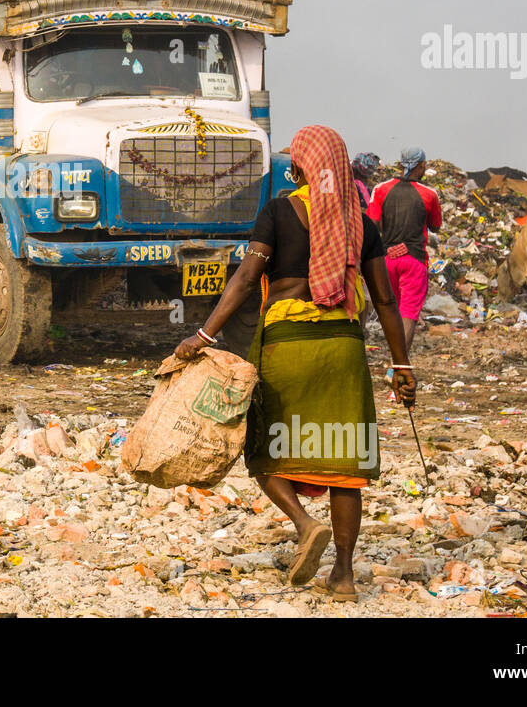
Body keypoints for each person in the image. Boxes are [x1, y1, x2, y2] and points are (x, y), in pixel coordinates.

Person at [173, 125, 416, 602]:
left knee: (264, 447)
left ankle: (305, 524)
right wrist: (401, 365)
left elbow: (245, 279)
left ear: (301, 167)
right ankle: (343, 576)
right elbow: (386, 300)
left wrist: (202, 335)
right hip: (343, 347)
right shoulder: (361, 223)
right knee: (345, 463)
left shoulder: (279, 211)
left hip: (288, 344)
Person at [367, 147, 442, 352]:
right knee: (408, 314)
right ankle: (399, 365)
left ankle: (394, 360)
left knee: (392, 310)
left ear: (400, 165)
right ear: (421, 166)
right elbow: (435, 226)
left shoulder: (380, 189)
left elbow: (372, 222)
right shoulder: (430, 194)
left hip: (387, 259)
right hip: (414, 260)